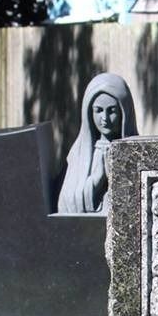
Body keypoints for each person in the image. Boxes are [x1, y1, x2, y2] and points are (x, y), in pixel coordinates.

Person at [57, 73, 138, 213]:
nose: (105, 118)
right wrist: (97, 180)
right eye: (99, 111)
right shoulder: (79, 153)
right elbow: (66, 205)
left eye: (112, 111)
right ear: (89, 112)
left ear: (124, 112)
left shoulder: (139, 151)